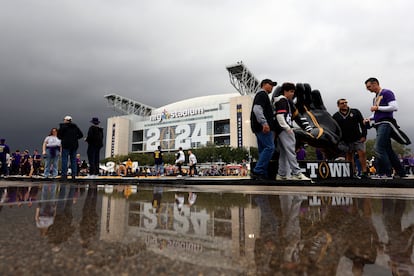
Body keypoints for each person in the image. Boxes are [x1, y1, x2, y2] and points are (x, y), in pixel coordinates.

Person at [364, 77, 406, 178]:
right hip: (379, 123)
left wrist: (378, 107)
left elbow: (394, 107)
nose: (368, 89)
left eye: (369, 87)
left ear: (375, 84)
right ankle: (401, 172)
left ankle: (386, 172)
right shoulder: (375, 98)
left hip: (386, 123)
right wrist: (369, 118)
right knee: (388, 150)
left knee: (378, 148)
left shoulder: (387, 93)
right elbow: (377, 114)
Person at [274, 82, 310, 180]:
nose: (292, 94)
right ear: (285, 91)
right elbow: (280, 116)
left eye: (293, 92)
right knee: (291, 151)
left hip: (280, 130)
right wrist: (287, 128)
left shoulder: (283, 101)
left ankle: (281, 174)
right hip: (284, 130)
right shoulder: (283, 100)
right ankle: (297, 173)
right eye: (291, 91)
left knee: (284, 153)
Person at [332, 99, 368, 178]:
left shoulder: (355, 112)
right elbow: (335, 129)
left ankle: (364, 172)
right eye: (342, 103)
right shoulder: (336, 116)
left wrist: (364, 135)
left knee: (362, 153)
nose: (344, 104)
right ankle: (352, 173)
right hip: (345, 140)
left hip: (357, 137)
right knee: (349, 156)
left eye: (345, 102)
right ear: (338, 105)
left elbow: (362, 123)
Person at [250, 79, 277, 180]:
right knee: (270, 148)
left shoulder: (262, 95)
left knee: (263, 150)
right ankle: (258, 171)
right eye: (270, 84)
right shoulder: (262, 94)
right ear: (264, 85)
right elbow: (257, 109)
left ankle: (262, 174)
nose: (272, 87)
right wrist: (264, 123)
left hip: (257, 127)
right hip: (262, 127)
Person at [57, 115, 84, 180]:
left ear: (66, 120)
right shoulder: (75, 126)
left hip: (66, 145)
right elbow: (81, 135)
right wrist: (75, 138)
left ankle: (64, 175)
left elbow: (59, 136)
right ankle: (73, 175)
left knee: (65, 160)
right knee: (73, 160)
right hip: (74, 145)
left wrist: (64, 138)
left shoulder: (63, 126)